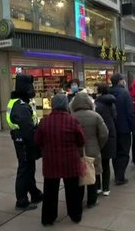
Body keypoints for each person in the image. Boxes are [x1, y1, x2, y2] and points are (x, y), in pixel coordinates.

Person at [35, 94, 86, 226]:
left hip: (51, 162)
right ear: (66, 105)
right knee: (73, 191)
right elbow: (81, 140)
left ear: (52, 105)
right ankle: (75, 215)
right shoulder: (72, 121)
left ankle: (48, 218)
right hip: (70, 161)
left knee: (50, 192)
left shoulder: (44, 122)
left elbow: (38, 140)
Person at [6, 74, 42, 211]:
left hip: (22, 139)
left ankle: (35, 194)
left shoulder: (18, 102)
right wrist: (37, 143)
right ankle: (21, 201)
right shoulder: (20, 106)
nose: (32, 90)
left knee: (29, 169)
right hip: (24, 141)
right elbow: (28, 129)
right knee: (24, 169)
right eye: (30, 87)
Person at [70, 92, 108, 208]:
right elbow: (104, 133)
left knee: (79, 175)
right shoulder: (95, 116)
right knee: (93, 174)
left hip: (76, 150)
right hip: (93, 149)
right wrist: (98, 145)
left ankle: (79, 199)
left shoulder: (71, 117)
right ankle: (92, 200)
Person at [109, 73, 135, 185]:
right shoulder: (125, 94)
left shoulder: (108, 92)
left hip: (112, 128)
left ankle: (116, 174)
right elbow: (130, 113)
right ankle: (120, 177)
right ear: (120, 81)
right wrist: (134, 127)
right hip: (124, 128)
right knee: (124, 152)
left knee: (115, 152)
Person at [94, 83, 117, 196]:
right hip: (110, 134)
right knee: (106, 163)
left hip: (98, 135)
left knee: (97, 163)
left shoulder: (97, 104)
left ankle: (97, 187)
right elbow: (114, 116)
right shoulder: (111, 103)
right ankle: (106, 188)